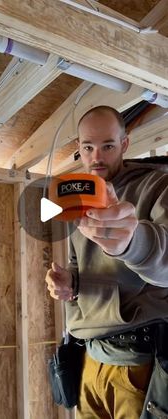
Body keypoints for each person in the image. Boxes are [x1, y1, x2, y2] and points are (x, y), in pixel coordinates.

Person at [45, 106, 168, 419]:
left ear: (124, 145)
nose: (96, 157)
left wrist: (134, 243)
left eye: (108, 146)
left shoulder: (157, 186)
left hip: (139, 365)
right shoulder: (79, 200)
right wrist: (69, 284)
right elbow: (79, 267)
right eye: (88, 147)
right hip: (89, 360)